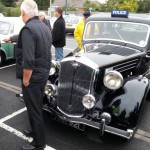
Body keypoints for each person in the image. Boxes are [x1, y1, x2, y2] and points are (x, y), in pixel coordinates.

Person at [16, 0, 52, 150]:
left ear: (23, 13)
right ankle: (34, 132)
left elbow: (29, 60)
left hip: (33, 78)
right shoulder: (43, 26)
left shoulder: (28, 29)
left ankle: (39, 144)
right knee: (35, 107)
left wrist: (25, 79)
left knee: (34, 109)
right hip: (43, 74)